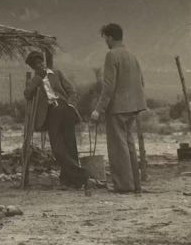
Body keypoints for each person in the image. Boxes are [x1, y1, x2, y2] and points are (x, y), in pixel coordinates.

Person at [90, 23, 146, 193]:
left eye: (105, 38)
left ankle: (123, 186)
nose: (105, 41)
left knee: (117, 148)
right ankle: (135, 184)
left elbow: (108, 87)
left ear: (110, 37)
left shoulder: (111, 56)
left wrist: (98, 109)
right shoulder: (132, 55)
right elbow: (141, 81)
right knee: (129, 145)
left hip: (117, 109)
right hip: (133, 107)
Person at [24, 51, 90, 189]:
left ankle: (71, 181)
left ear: (44, 62)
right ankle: (81, 173)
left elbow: (71, 90)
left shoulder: (57, 74)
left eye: (41, 62)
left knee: (70, 144)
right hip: (51, 112)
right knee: (57, 148)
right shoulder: (34, 81)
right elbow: (27, 94)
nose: (40, 65)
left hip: (64, 108)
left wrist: (70, 105)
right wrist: (37, 78)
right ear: (33, 67)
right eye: (36, 65)